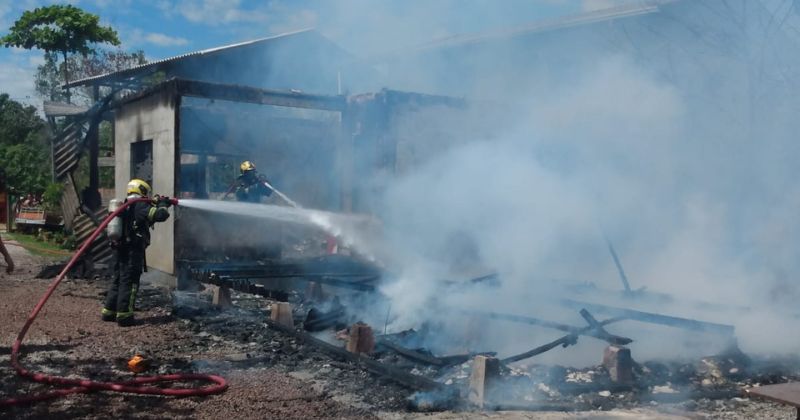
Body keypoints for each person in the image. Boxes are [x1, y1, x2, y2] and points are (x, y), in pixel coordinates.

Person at [101, 179, 172, 326]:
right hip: (132, 251)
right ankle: (124, 316)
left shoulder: (127, 204)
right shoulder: (140, 205)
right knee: (130, 283)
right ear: (142, 190)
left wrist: (158, 203)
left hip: (120, 250)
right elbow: (161, 215)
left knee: (118, 280)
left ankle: (109, 312)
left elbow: (143, 221)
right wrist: (163, 205)